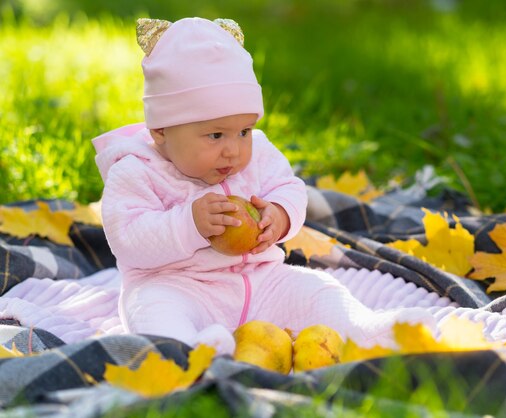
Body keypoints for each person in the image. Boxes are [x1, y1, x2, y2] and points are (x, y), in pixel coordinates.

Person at [92, 17, 435, 354]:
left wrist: (281, 215)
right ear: (161, 130)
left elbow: (289, 187)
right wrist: (189, 224)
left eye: (244, 131)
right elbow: (128, 239)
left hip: (259, 283)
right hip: (179, 285)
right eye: (215, 135)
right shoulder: (136, 171)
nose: (234, 149)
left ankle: (366, 329)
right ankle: (189, 351)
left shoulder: (259, 155)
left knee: (317, 288)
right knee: (151, 308)